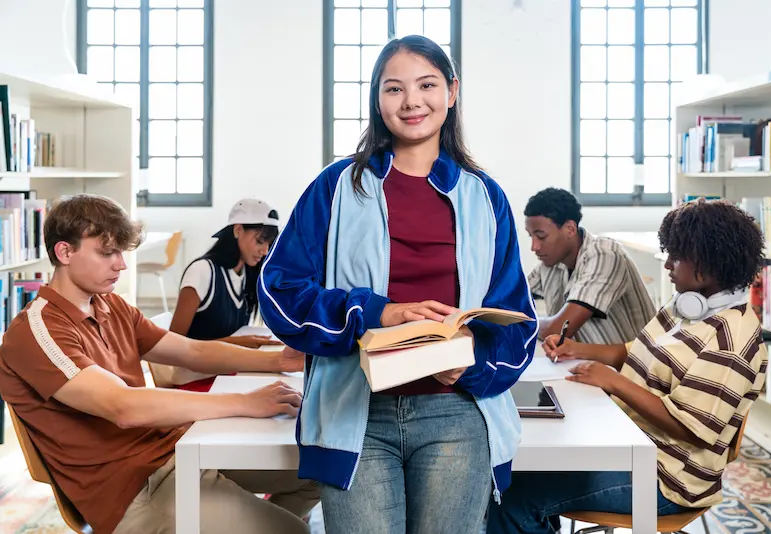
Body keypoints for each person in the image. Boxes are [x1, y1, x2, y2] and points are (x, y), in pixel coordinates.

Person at [257, 35, 538, 534]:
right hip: (354, 415)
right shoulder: (337, 186)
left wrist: (469, 360)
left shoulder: (485, 197)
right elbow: (280, 292)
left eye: (427, 85)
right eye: (394, 89)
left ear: (452, 92)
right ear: (376, 98)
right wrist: (378, 313)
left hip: (457, 416)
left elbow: (517, 324)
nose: (412, 101)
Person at [0, 194, 318, 534]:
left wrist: (279, 360)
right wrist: (245, 403)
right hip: (132, 489)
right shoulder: (37, 331)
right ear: (65, 252)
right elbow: (124, 407)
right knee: (292, 531)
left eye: (121, 252)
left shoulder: (110, 306)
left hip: (171, 453)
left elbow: (190, 351)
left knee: (320, 471)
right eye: (107, 253)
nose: (121, 264)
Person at [487, 199, 768, 534]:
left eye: (676, 257)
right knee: (518, 473)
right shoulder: (689, 307)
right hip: (630, 441)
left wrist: (614, 383)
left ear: (707, 264)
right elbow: (637, 350)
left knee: (515, 496)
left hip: (667, 480)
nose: (667, 266)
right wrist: (578, 349)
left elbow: (689, 427)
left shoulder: (731, 342)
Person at [166, 198, 304, 391]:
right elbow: (173, 345)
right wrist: (237, 343)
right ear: (238, 230)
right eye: (260, 241)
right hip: (196, 380)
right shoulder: (202, 272)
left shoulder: (247, 273)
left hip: (228, 371)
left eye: (269, 244)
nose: (264, 251)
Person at [525, 187, 655, 344]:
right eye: (531, 236)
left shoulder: (605, 254)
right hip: (582, 363)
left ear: (570, 229)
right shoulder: (551, 263)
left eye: (541, 237)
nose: (534, 247)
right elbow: (509, 301)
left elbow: (560, 330)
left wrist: (521, 322)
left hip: (631, 366)